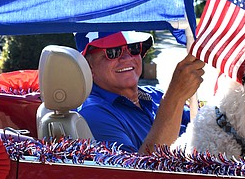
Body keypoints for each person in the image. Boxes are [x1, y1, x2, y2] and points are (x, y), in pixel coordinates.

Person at [75, 31, 205, 154]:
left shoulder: (155, 95)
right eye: (112, 52)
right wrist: (175, 97)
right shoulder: (93, 113)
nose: (127, 58)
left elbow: (203, 125)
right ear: (88, 65)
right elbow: (134, 174)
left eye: (134, 48)